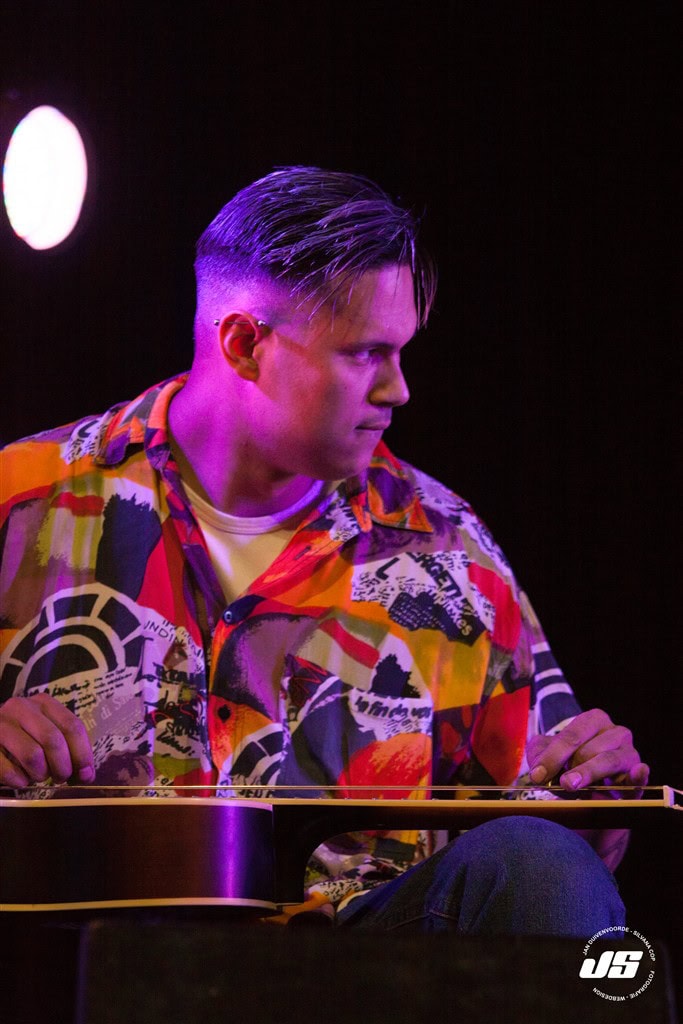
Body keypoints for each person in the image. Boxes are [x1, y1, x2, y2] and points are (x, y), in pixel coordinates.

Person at [0, 166, 648, 934]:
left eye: (401, 353)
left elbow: (550, 841)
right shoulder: (22, 498)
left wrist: (593, 805)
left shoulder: (449, 552)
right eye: (366, 354)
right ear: (244, 344)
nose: (398, 389)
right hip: (94, 958)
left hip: (359, 975)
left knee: (544, 868)